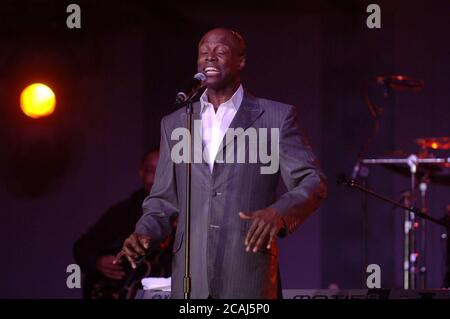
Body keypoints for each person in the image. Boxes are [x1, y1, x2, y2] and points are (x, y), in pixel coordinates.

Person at [115, 28, 327, 299]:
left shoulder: (275, 117)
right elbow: (162, 201)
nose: (210, 58)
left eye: (221, 51)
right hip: (192, 279)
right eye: (204, 52)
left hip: (247, 273)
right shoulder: (176, 123)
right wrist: (144, 232)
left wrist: (279, 212)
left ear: (241, 61)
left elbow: (313, 180)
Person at [73, 148, 176, 299]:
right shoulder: (123, 212)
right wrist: (98, 262)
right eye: (150, 170)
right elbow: (82, 248)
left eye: (162, 170)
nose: (156, 177)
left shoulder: (184, 213)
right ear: (141, 172)